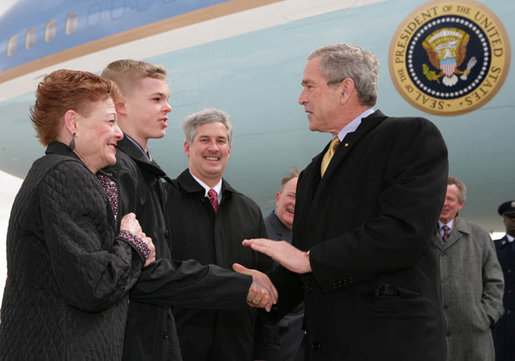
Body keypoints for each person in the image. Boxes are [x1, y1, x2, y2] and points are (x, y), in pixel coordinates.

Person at [242, 42, 449, 360]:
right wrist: (267, 286)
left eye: (309, 86)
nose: (301, 98)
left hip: (389, 347)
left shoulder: (409, 137)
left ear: (345, 89)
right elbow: (306, 261)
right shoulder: (313, 170)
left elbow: (402, 233)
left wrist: (310, 260)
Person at [100, 60, 277, 361]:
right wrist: (239, 284)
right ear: (122, 106)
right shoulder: (122, 173)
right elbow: (138, 275)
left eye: (167, 99)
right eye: (157, 99)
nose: (168, 107)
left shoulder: (147, 175)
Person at [0, 69, 156, 361]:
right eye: (110, 121)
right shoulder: (67, 174)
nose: (119, 133)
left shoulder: (50, 171)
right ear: (72, 123)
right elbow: (95, 286)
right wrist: (133, 243)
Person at [165, 108, 279, 361]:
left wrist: (267, 352)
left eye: (221, 140)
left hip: (239, 349)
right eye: (204, 140)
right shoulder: (163, 201)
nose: (213, 148)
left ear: (229, 148)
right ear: (187, 147)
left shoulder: (249, 210)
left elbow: (265, 285)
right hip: (180, 349)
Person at [434, 176, 504, 361]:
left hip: (473, 335)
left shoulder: (479, 235)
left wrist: (487, 315)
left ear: (460, 204)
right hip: (432, 333)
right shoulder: (421, 235)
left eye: (450, 199)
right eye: (441, 198)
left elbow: (495, 280)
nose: (445, 204)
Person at [264, 166, 305, 361]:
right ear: (278, 197)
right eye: (292, 196)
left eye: (303, 199)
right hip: (277, 346)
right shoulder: (260, 234)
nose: (296, 204)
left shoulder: (312, 238)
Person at [493, 200, 515, 361]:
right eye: (510, 217)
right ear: (504, 219)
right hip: (498, 321)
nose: (513, 220)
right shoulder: (492, 247)